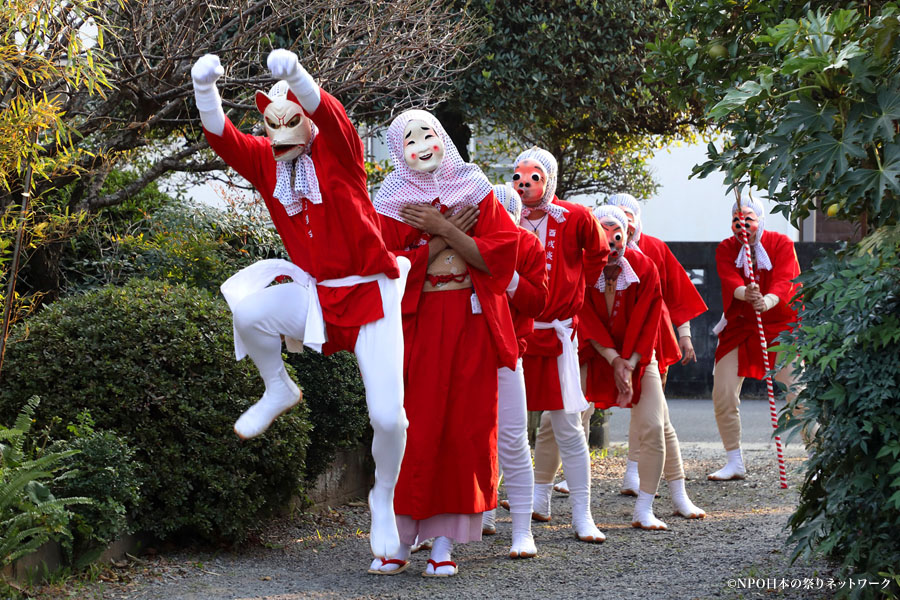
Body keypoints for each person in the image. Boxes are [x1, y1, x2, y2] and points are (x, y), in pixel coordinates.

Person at [190, 50, 410, 565]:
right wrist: (204, 90)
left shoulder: (339, 152)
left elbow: (331, 115)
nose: (280, 131)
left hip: (371, 294)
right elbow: (224, 137)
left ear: (308, 125)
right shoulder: (269, 164)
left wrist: (296, 76)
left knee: (389, 419)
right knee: (247, 312)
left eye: (292, 121)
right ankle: (278, 386)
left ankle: (384, 497)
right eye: (272, 123)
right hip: (317, 294)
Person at [373, 110, 519, 576]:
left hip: (470, 323)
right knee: (412, 429)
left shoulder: (475, 186)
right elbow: (386, 268)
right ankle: (397, 540)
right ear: (398, 148)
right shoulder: (391, 198)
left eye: (428, 133)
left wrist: (449, 229)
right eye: (409, 138)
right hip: (417, 323)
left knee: (464, 430)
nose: (421, 143)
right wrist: (440, 234)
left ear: (442, 138)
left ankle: (443, 544)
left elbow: (499, 261)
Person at [579, 206, 705, 530]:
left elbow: (650, 315)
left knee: (655, 425)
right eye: (602, 235)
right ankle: (557, 502)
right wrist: (613, 359)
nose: (610, 246)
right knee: (568, 420)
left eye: (617, 235)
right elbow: (585, 317)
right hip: (596, 353)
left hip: (641, 351)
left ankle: (647, 505)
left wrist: (632, 362)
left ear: (629, 232)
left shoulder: (647, 263)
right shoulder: (581, 267)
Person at [514, 147, 608, 543]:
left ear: (548, 179)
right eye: (519, 177)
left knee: (568, 425)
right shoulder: (505, 214)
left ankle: (582, 514)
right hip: (515, 332)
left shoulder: (576, 216)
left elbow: (599, 252)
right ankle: (488, 511)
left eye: (533, 177)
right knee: (505, 426)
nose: (524, 185)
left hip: (557, 332)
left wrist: (576, 287)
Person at [605, 193, 708, 496]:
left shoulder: (655, 249)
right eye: (619, 213)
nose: (626, 219)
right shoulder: (597, 253)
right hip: (607, 341)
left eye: (629, 213)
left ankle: (634, 472)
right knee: (579, 407)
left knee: (651, 413)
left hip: (653, 337)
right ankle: (571, 474)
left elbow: (677, 294)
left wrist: (685, 335)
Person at [709, 197, 801, 481]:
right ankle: (734, 460)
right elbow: (728, 277)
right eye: (737, 219)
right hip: (739, 325)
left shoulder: (781, 243)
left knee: (799, 391)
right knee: (723, 392)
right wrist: (745, 295)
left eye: (748, 218)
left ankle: (818, 456)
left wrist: (769, 300)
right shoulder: (727, 247)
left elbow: (786, 279)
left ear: (759, 218)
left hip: (781, 326)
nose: (742, 225)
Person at [481, 183, 548, 558]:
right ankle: (459, 520)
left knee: (511, 439)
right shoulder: (464, 240)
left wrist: (507, 278)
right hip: (465, 350)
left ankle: (522, 529)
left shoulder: (528, 245)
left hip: (508, 352)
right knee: (462, 436)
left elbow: (538, 301)